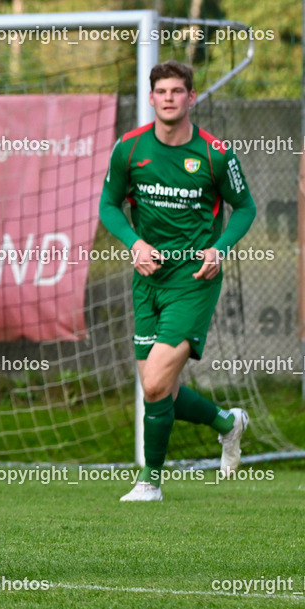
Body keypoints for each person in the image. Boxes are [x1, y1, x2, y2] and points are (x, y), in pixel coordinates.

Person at [99, 60, 255, 502]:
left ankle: (150, 482)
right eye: (161, 91)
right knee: (158, 384)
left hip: (193, 279)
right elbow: (109, 205)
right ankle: (227, 423)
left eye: (177, 91)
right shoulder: (129, 149)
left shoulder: (214, 153)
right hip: (147, 279)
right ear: (151, 98)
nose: (169, 97)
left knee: (153, 386)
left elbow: (245, 208)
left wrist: (219, 248)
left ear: (191, 97)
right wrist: (133, 243)